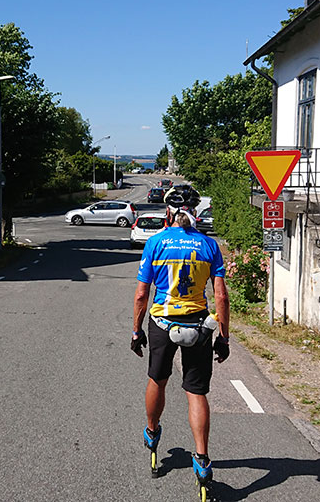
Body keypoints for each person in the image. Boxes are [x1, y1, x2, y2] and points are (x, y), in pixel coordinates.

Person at [130, 184, 230, 489]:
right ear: (195, 211)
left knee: (157, 380)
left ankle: (152, 431)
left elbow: (141, 295)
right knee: (196, 392)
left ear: (168, 212)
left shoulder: (156, 243)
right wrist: (223, 337)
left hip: (162, 323)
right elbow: (222, 298)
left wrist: (136, 331)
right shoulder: (209, 245)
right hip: (199, 325)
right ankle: (201, 458)